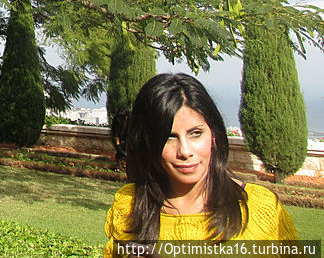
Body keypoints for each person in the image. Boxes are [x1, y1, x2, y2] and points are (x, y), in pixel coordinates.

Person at [103, 73, 297, 256]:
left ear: (213, 134)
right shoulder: (129, 206)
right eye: (169, 137)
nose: (185, 151)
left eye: (195, 133)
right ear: (149, 143)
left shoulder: (261, 209)